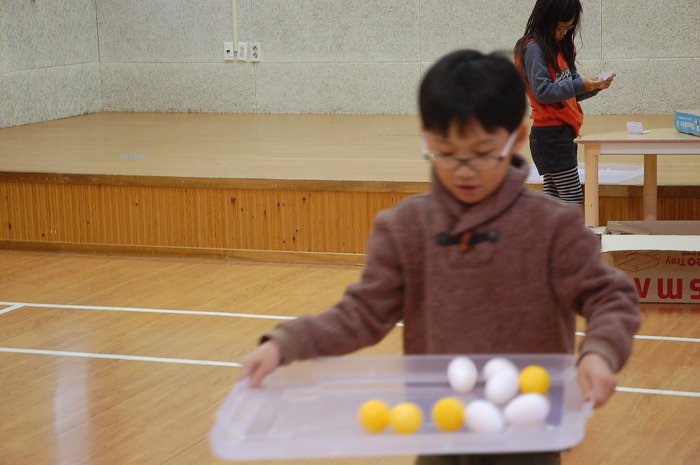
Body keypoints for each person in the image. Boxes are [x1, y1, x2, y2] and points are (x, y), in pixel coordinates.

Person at [240, 50, 640, 465]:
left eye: (482, 152)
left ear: (516, 139)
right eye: (445, 152)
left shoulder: (552, 225)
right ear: (427, 138)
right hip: (440, 431)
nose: (464, 169)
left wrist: (600, 352)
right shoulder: (406, 227)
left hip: (528, 434)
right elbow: (361, 313)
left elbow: (610, 297)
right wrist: (284, 344)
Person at [514, 0, 615, 205]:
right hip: (551, 135)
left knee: (554, 197)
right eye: (560, 27)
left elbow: (568, 94)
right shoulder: (534, 48)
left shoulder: (558, 49)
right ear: (545, 20)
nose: (563, 33)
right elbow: (542, 92)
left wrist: (594, 86)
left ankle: (547, 228)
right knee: (572, 197)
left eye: (568, 28)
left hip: (560, 132)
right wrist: (581, 84)